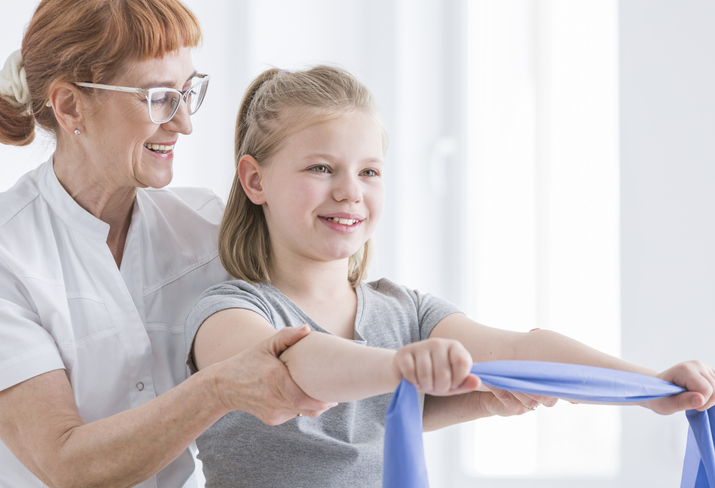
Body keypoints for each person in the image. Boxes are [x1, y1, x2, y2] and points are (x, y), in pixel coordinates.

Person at [185, 64, 715, 488]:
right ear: (255, 180)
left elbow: (518, 348)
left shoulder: (404, 311)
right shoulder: (227, 312)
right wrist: (405, 367)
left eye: (369, 171)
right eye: (321, 168)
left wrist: (649, 387)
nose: (350, 191)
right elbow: (295, 367)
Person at [0, 2, 334, 487]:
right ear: (71, 105)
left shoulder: (204, 228)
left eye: (187, 92)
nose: (183, 124)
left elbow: (312, 358)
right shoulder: (8, 252)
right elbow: (66, 464)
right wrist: (217, 389)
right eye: (157, 97)